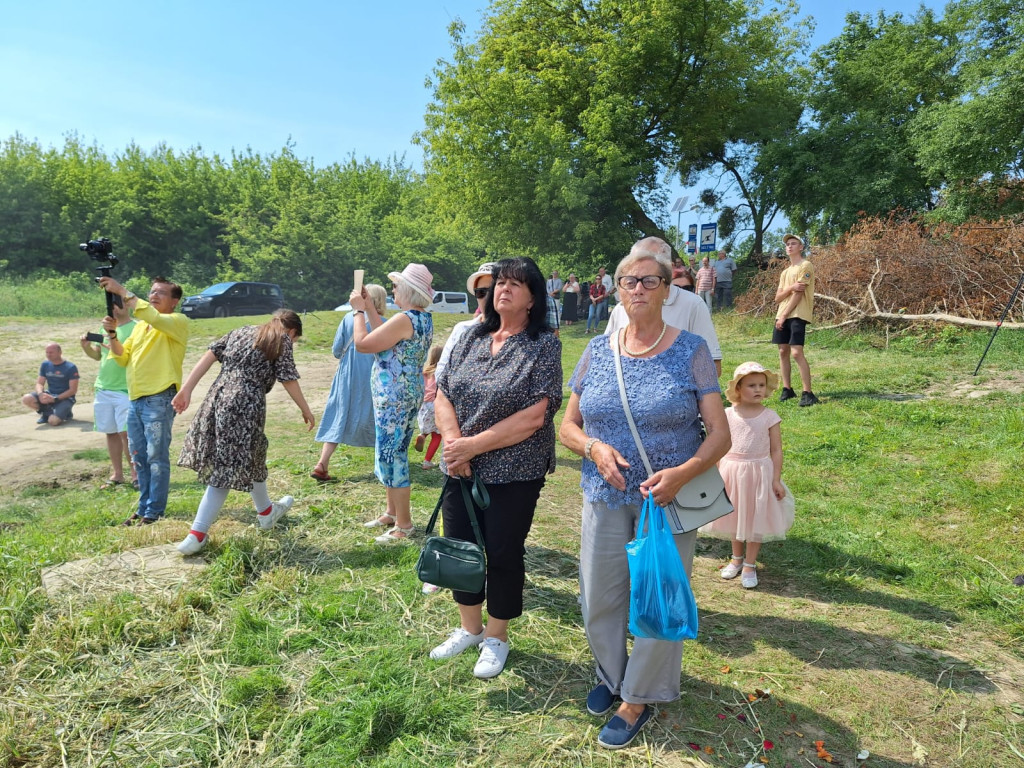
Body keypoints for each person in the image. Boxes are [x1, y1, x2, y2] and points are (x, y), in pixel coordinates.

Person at [559, 249, 730, 749]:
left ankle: (639, 695)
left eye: (649, 281)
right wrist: (593, 447)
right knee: (599, 596)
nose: (638, 290)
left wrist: (685, 472)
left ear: (668, 289)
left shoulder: (691, 349)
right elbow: (568, 427)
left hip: (667, 500)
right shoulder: (595, 347)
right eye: (628, 281)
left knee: (656, 597)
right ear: (616, 289)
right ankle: (612, 676)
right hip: (602, 494)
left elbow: (720, 434)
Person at [429, 257, 562, 679]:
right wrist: (455, 447)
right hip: (460, 466)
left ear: (532, 298)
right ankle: (469, 628)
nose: (502, 289)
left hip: (515, 470)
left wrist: (471, 446)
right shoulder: (471, 336)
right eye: (500, 282)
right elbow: (443, 393)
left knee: (503, 553)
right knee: (460, 549)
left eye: (515, 284)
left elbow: (535, 415)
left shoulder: (543, 344)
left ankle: (496, 636)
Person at [174, 310, 316, 555]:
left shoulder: (239, 331)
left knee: (254, 453)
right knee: (227, 467)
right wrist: (306, 409)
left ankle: (267, 513)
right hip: (246, 402)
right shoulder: (281, 338)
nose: (291, 343)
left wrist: (186, 390)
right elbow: (288, 378)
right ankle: (196, 535)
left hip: (217, 396)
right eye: (294, 339)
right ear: (291, 331)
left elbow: (208, 357)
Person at [352, 263, 434, 543]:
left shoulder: (405, 318)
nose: (392, 290)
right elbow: (384, 338)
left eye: (397, 286)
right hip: (407, 392)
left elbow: (363, 344)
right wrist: (370, 308)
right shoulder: (420, 318)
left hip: (394, 397)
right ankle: (391, 512)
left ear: (409, 291)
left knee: (393, 454)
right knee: (391, 449)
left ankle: (404, 524)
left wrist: (358, 311)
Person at [99, 276, 189, 526]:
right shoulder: (140, 327)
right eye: (152, 292)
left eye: (161, 293)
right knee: (139, 457)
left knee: (156, 457)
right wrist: (113, 335)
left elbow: (153, 317)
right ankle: (144, 508)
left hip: (159, 397)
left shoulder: (176, 321)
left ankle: (154, 511)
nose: (154, 295)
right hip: (136, 400)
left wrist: (122, 291)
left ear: (174, 301)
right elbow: (122, 357)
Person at [700, 362, 794, 589]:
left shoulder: (770, 416)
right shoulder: (728, 414)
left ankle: (750, 563)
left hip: (759, 472)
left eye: (761, 385)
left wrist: (775, 479)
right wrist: (716, 473)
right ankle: (736, 558)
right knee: (736, 514)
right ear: (739, 389)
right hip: (732, 470)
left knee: (755, 515)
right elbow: (719, 444)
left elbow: (776, 450)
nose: (758, 389)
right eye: (751, 385)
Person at [606, 237, 724, 376]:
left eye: (648, 261)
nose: (639, 269)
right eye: (635, 260)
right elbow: (605, 358)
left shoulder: (693, 305)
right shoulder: (621, 308)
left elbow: (712, 367)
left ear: (668, 268)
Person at [310, 284, 388, 482]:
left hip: (346, 377)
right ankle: (385, 465)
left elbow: (337, 350)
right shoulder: (386, 324)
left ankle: (322, 463)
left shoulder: (348, 318)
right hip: (373, 377)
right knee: (379, 418)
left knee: (339, 415)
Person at [80, 302, 137, 487]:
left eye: (118, 305)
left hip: (125, 388)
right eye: (111, 306)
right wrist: (86, 347)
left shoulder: (136, 328)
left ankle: (136, 474)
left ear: (127, 306)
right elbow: (98, 355)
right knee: (111, 432)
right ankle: (118, 474)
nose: (114, 309)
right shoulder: (103, 327)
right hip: (103, 387)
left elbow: (131, 356)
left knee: (126, 433)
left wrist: (114, 344)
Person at [774, 233, 820, 406]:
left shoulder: (806, 265)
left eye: (794, 243)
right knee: (782, 351)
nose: (790, 246)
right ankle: (787, 389)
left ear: (801, 247)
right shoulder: (785, 272)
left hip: (797, 314)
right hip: (781, 314)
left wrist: (785, 315)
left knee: (796, 352)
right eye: (787, 244)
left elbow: (799, 294)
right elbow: (778, 298)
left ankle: (807, 392)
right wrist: (791, 287)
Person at [22, 343, 79, 426]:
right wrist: (41, 394)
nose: (48, 355)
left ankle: (65, 413)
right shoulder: (45, 365)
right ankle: (46, 413)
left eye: (51, 352)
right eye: (47, 352)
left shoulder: (70, 367)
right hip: (50, 394)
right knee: (26, 399)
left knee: (53, 421)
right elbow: (39, 383)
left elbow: (73, 390)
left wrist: (55, 399)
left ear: (60, 352)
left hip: (66, 398)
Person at [414, 345, 444, 470]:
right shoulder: (441, 372)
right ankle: (427, 461)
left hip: (424, 405)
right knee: (437, 435)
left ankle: (422, 436)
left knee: (427, 428)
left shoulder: (425, 372)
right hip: (435, 404)